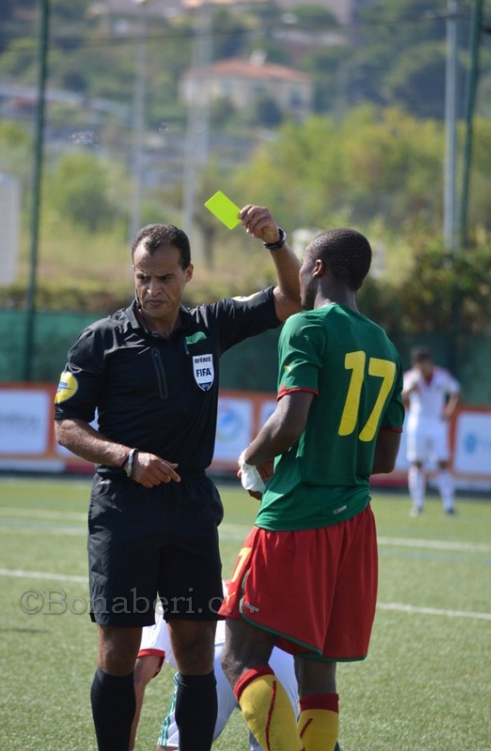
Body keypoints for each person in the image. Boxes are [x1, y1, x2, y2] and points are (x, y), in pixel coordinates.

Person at [53, 205, 302, 751]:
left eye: (165, 278)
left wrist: (275, 242)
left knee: (194, 650)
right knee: (119, 649)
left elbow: (292, 299)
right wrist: (124, 457)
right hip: (122, 506)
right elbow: (66, 427)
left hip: (189, 505)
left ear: (188, 274)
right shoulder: (100, 340)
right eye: (142, 278)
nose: (152, 289)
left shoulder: (211, 325)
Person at [218, 227, 405, 751]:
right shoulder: (385, 343)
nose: (298, 273)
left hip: (298, 517)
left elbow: (290, 421)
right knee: (317, 679)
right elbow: (385, 459)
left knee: (240, 656)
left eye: (303, 263)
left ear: (318, 268)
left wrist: (252, 454)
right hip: (354, 525)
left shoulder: (305, 325)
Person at [129, 592, 307, 751]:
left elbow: (139, 677)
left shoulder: (166, 603)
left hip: (216, 658)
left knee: (174, 747)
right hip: (278, 657)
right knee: (277, 745)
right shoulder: (231, 586)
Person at [402, 345, 460, 516]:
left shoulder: (442, 376)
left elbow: (455, 391)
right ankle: (417, 504)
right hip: (417, 423)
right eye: (419, 364)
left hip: (437, 424)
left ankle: (448, 505)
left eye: (425, 363)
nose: (423, 367)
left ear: (430, 362)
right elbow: (401, 396)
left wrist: (449, 411)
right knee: (417, 463)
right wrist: (411, 389)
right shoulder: (411, 378)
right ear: (415, 364)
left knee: (442, 463)